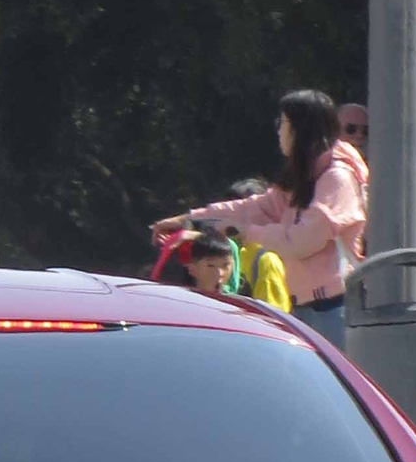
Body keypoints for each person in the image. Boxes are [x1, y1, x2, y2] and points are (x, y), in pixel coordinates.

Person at [154, 91, 369, 347]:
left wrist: (246, 232)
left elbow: (300, 242)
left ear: (300, 129)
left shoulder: (337, 178)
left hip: (337, 309)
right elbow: (251, 207)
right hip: (306, 308)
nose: (279, 131)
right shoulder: (303, 176)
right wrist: (187, 221)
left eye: (283, 123)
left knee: (336, 386)